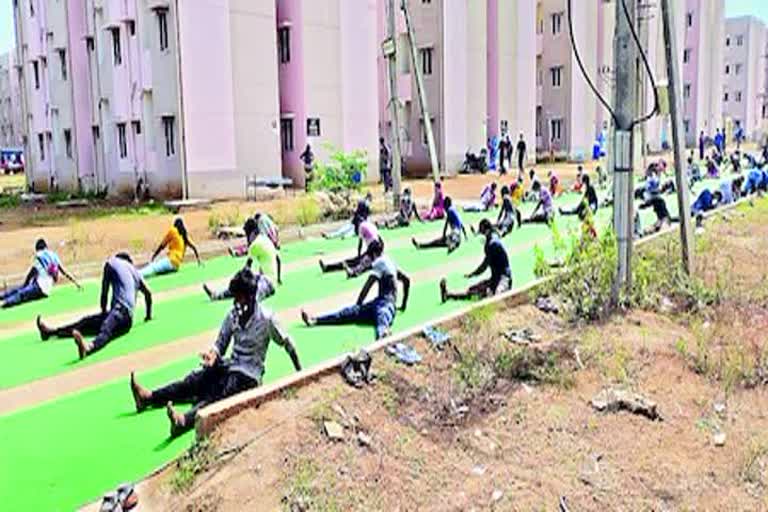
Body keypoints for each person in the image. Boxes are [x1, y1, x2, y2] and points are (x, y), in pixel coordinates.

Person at [130, 265, 301, 437]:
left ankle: (184, 421)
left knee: (219, 394)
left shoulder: (267, 319)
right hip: (231, 366)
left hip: (249, 375)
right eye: (234, 298)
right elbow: (220, 344)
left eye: (239, 298)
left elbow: (289, 345)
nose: (235, 303)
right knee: (194, 380)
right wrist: (213, 356)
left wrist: (300, 374)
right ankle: (149, 397)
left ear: (250, 297)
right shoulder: (233, 315)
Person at [37, 253, 152, 360]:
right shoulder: (135, 272)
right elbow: (148, 294)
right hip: (127, 320)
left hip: (120, 311)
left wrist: (103, 312)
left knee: (105, 328)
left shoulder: (112, 262)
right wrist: (148, 316)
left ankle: (89, 348)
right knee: (86, 322)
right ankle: (50, 332)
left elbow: (104, 293)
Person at [302, 240, 410, 340]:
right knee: (377, 316)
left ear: (373, 255)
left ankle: (315, 320)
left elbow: (367, 287)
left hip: (385, 304)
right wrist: (403, 305)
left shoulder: (379, 263)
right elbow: (406, 280)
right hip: (381, 303)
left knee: (371, 316)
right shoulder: (390, 262)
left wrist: (358, 305)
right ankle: (315, 320)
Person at [440, 219, 511, 303]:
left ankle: (450, 295)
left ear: (487, 231)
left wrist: (473, 274)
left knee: (495, 296)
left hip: (503, 279)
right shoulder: (492, 238)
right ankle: (448, 295)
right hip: (495, 278)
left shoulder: (492, 244)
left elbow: (484, 265)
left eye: (482, 232)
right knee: (473, 291)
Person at [1, 239, 81, 308]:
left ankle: (4, 302)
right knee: (21, 291)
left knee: (20, 292)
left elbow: (33, 271)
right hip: (47, 291)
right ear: (46, 247)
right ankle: (4, 299)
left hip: (39, 287)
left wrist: (26, 283)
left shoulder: (39, 255)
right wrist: (76, 282)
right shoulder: (54, 255)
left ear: (38, 249)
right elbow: (64, 271)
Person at [204, 258, 276, 303]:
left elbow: (255, 301)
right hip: (253, 283)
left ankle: (216, 296)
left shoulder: (260, 287)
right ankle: (215, 295)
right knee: (235, 292)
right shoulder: (246, 279)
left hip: (269, 285)